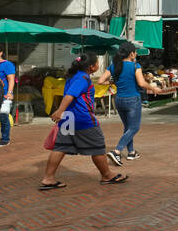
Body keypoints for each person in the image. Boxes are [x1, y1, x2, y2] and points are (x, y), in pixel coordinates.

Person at [40, 53, 127, 189]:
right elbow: (70, 95)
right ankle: (107, 175)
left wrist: (62, 112)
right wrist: (59, 111)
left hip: (68, 118)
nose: (98, 65)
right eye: (97, 63)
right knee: (98, 147)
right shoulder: (82, 78)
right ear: (92, 67)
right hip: (82, 119)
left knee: (60, 148)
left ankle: (48, 178)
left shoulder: (73, 76)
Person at [109, 43, 151, 166]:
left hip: (119, 100)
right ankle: (117, 150)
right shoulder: (135, 66)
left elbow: (101, 80)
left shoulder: (113, 66)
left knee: (128, 127)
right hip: (133, 100)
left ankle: (131, 152)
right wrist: (153, 89)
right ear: (131, 53)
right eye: (135, 52)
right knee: (134, 128)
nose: (136, 54)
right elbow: (142, 83)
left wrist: (112, 81)